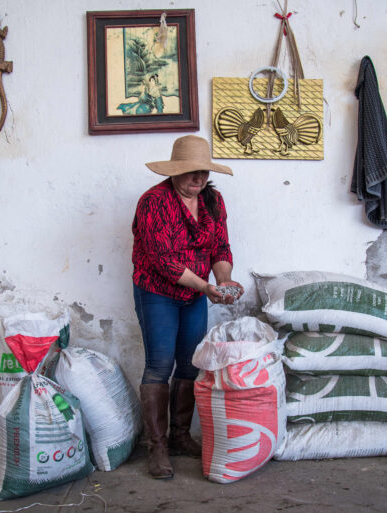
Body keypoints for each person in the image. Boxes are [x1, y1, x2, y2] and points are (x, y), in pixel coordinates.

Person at [132, 135, 244, 479]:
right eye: (192, 171)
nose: (199, 178)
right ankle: (157, 445)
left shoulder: (213, 200)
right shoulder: (154, 202)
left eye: (204, 172)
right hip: (157, 291)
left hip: (194, 294)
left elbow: (220, 247)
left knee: (190, 363)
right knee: (159, 365)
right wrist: (206, 287)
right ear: (175, 170)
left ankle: (180, 436)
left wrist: (223, 281)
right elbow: (163, 260)